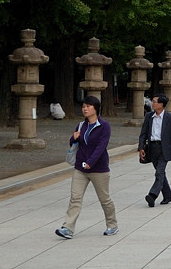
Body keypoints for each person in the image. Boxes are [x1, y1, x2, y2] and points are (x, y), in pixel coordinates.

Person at [55, 95, 118, 239]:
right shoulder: (81, 125)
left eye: (88, 106)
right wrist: (73, 137)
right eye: (83, 106)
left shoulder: (104, 126)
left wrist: (91, 161)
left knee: (105, 199)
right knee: (75, 198)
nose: (85, 109)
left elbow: (101, 147)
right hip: (80, 169)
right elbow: (74, 143)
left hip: (99, 168)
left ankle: (112, 225)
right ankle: (68, 228)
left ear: (96, 109)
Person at [138, 94, 171, 207]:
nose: (152, 104)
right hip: (152, 148)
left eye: (154, 102)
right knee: (161, 174)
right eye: (152, 101)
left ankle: (152, 195)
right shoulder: (149, 116)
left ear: (161, 104)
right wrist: (141, 147)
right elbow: (143, 133)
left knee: (159, 172)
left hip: (165, 149)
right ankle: (167, 195)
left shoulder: (170, 118)